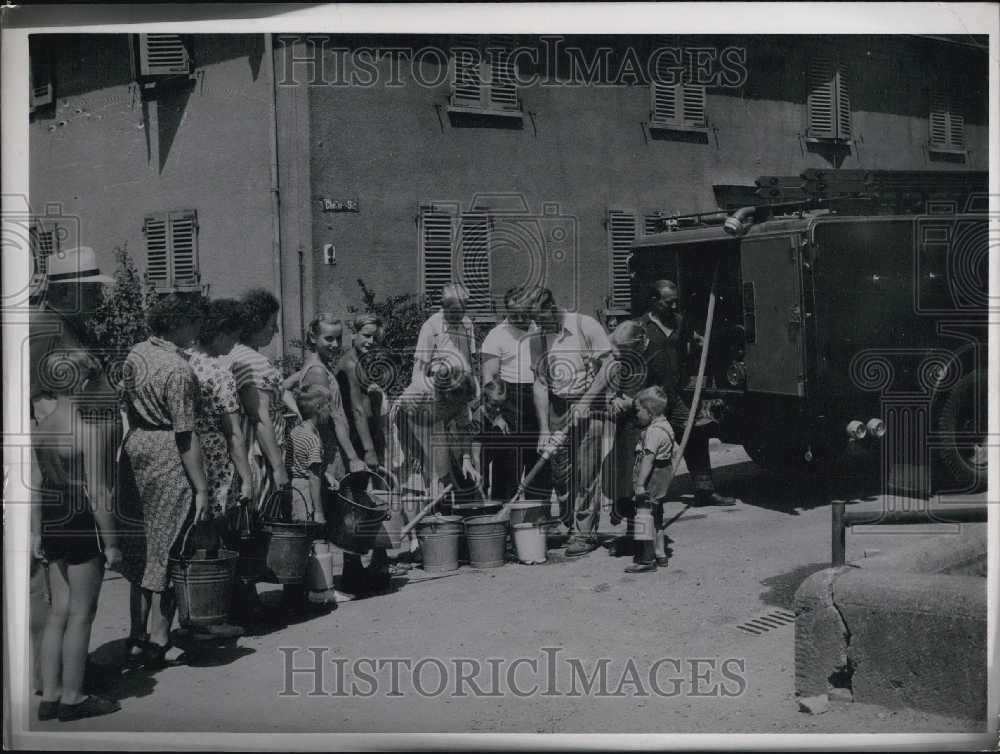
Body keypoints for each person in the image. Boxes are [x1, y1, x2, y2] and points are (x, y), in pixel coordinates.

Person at [32, 347, 123, 722]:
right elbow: (99, 492)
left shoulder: (43, 427)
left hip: (53, 521)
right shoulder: (88, 430)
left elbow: (36, 485)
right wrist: (113, 542)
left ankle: (50, 694)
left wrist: (37, 533)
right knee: (83, 612)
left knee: (59, 612)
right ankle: (73, 697)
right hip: (82, 522)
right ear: (83, 381)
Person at [119, 293, 210, 666]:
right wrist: (202, 487)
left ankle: (137, 635)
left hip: (136, 447)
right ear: (179, 324)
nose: (198, 329)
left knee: (143, 550)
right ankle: (160, 638)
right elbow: (185, 434)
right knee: (173, 547)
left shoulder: (135, 353)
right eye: (195, 322)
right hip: (167, 453)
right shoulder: (178, 369)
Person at [281, 314, 367, 598]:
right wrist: (354, 456)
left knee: (323, 518)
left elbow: (283, 386)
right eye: (327, 338)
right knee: (326, 517)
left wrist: (293, 405)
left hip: (324, 447)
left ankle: (321, 585)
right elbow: (338, 419)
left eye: (337, 338)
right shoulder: (318, 372)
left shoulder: (312, 367)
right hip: (328, 451)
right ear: (313, 338)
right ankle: (323, 587)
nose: (334, 344)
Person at [530, 287, 615, 556]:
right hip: (557, 407)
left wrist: (587, 401)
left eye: (540, 318)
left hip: (590, 404)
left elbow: (609, 365)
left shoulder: (585, 325)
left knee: (586, 472)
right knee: (560, 473)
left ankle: (583, 532)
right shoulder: (538, 338)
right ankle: (569, 523)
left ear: (552, 307)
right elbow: (540, 383)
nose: (537, 324)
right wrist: (544, 428)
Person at [639, 280, 739, 507]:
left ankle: (704, 491)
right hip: (651, 400)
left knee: (696, 435)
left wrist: (702, 344)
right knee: (651, 446)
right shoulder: (640, 327)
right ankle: (647, 495)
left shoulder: (679, 322)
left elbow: (692, 343)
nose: (673, 307)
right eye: (668, 303)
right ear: (654, 301)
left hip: (676, 395)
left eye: (675, 302)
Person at [185, 299, 254, 521]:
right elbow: (233, 432)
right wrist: (247, 478)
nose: (234, 345)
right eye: (234, 338)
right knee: (214, 529)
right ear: (222, 334)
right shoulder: (220, 374)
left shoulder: (181, 361)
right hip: (213, 459)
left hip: (184, 454)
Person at [480, 287, 548, 501]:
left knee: (539, 460)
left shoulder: (540, 329)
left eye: (524, 311)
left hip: (538, 396)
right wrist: (496, 415)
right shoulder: (496, 335)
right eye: (513, 312)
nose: (519, 317)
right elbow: (489, 379)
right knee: (508, 465)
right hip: (509, 399)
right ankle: (504, 520)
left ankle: (537, 520)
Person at [626, 386, 676, 573]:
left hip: (651, 479)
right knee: (657, 518)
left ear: (649, 411)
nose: (637, 414)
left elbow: (648, 458)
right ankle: (660, 553)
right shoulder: (666, 427)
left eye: (638, 410)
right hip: (662, 477)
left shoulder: (654, 432)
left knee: (644, 518)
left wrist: (640, 484)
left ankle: (646, 560)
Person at [411, 282, 478, 394]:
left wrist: (475, 388)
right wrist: (416, 393)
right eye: (454, 311)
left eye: (462, 310)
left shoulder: (467, 323)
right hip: (440, 388)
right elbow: (421, 365)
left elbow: (472, 359)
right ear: (443, 305)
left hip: (463, 387)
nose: (458, 316)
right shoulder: (431, 326)